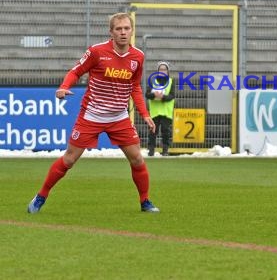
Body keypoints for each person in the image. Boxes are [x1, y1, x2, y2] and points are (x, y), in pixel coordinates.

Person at [27, 12, 160, 214]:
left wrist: (145, 114)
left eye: (126, 28)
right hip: (92, 115)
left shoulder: (138, 56)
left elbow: (135, 86)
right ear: (111, 32)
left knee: (137, 159)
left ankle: (145, 201)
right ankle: (40, 197)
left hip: (119, 117)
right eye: (118, 29)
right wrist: (64, 86)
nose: (123, 32)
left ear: (132, 30)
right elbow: (76, 71)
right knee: (69, 160)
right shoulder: (97, 52)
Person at [145, 61, 175, 157]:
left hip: (166, 112)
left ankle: (165, 150)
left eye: (164, 69)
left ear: (167, 71)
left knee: (166, 131)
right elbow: (147, 94)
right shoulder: (153, 81)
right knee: (153, 131)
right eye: (160, 69)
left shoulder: (171, 81)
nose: (162, 71)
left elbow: (172, 96)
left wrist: (162, 97)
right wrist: (154, 95)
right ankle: (151, 150)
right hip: (155, 112)